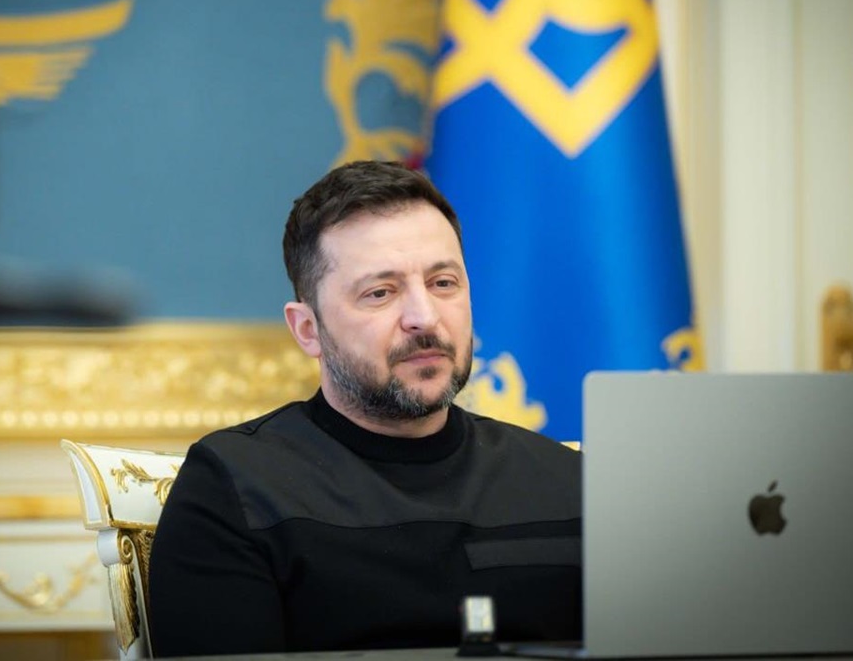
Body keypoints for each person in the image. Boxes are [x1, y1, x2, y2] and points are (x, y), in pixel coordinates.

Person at [148, 161, 581, 657]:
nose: (424, 318)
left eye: (443, 283)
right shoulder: (235, 491)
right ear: (307, 329)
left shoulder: (570, 486)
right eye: (380, 293)